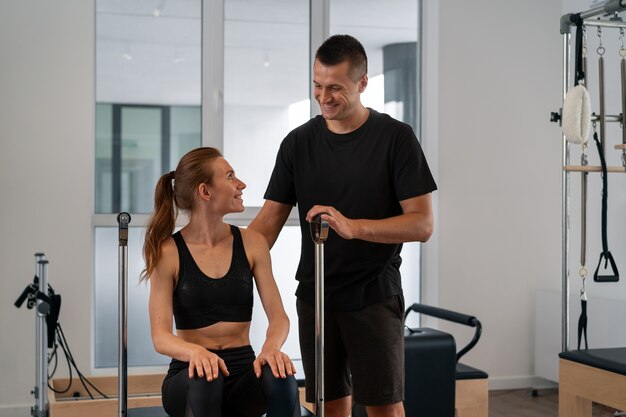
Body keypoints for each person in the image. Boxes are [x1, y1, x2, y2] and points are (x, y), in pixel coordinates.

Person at [249, 34, 437, 417]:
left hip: (374, 296)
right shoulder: (298, 143)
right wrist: (217, 261)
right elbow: (267, 224)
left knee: (384, 408)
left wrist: (353, 228)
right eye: (317, 85)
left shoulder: (396, 139)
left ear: (362, 83)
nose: (324, 96)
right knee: (328, 407)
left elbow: (422, 224)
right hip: (316, 299)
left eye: (335, 87)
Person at [141, 147, 301, 417]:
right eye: (230, 177)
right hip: (190, 377)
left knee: (281, 377)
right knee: (207, 377)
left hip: (243, 376)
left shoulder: (252, 243)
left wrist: (271, 348)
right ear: (205, 192)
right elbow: (161, 337)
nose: (241, 185)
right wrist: (196, 353)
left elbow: (279, 317)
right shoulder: (168, 252)